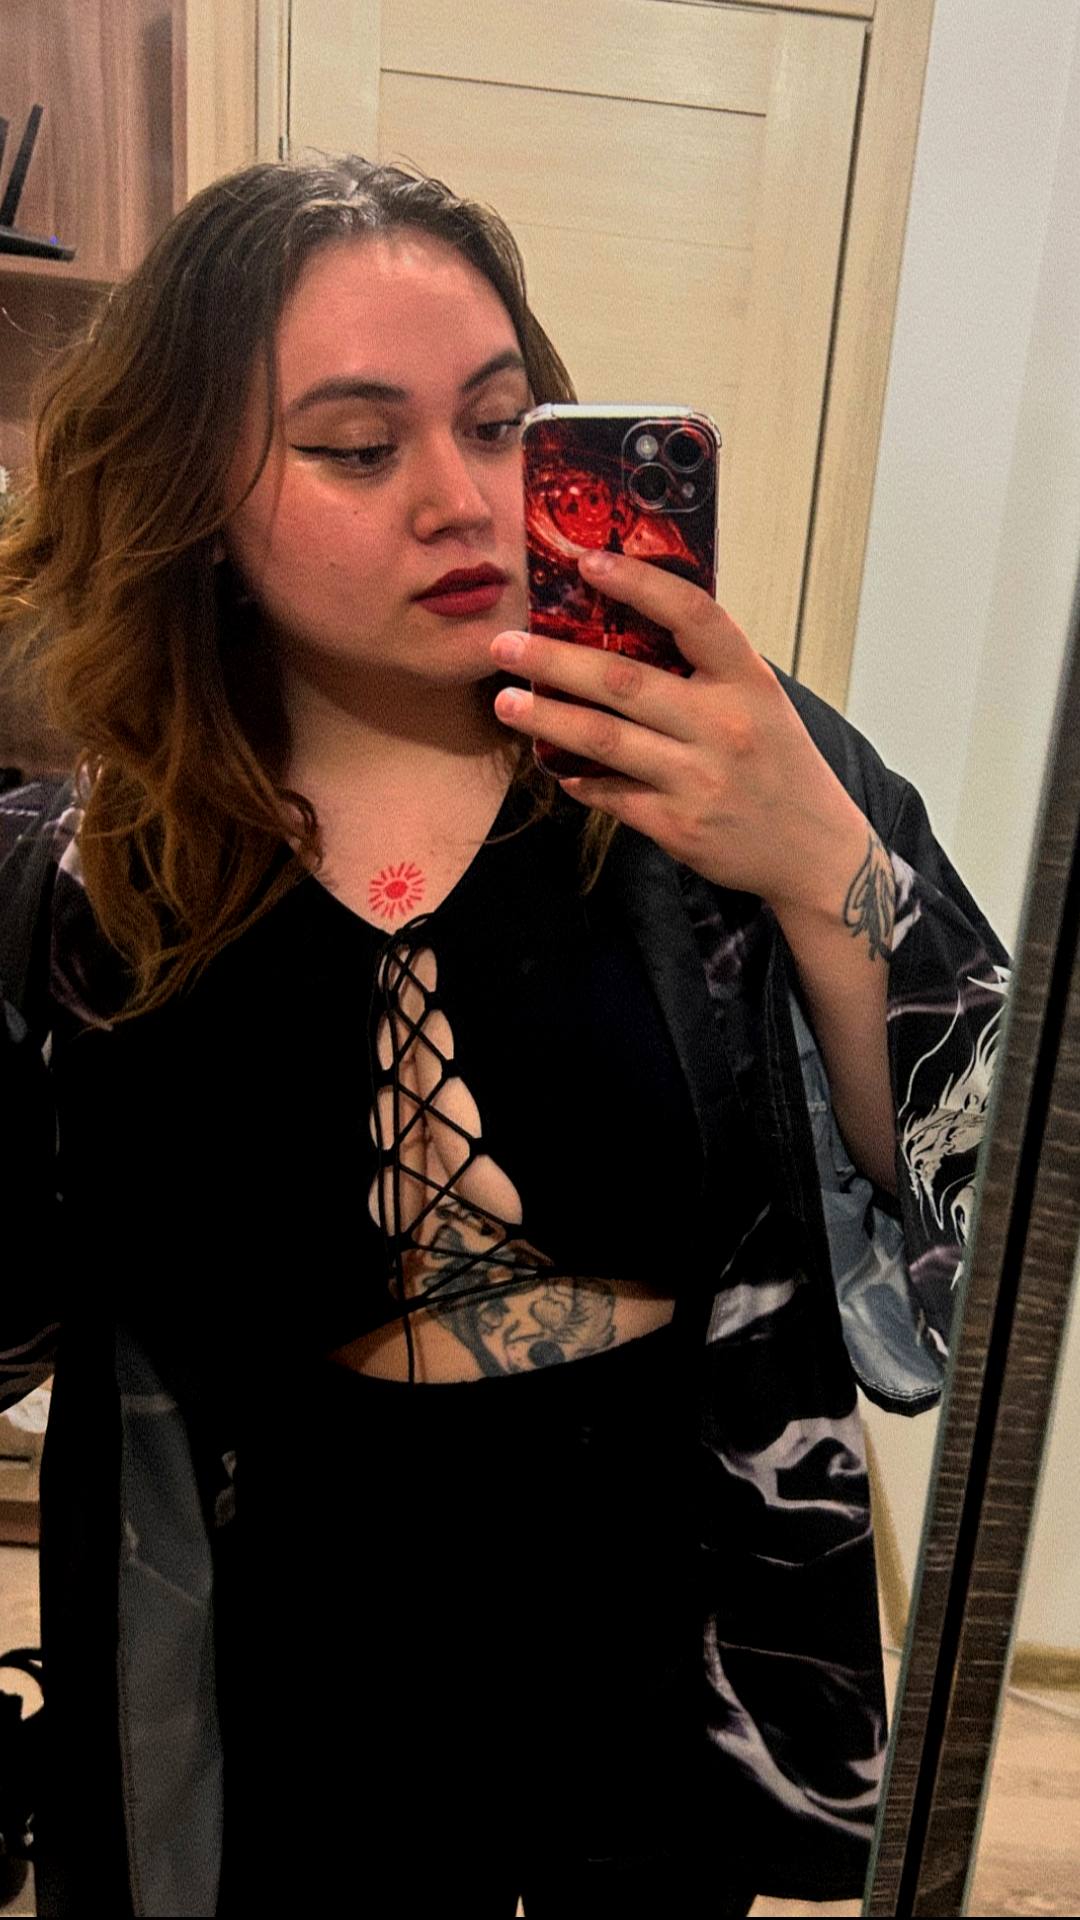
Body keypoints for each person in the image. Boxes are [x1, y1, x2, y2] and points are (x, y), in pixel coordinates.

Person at [0, 156, 1010, 1919]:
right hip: (272, 1659)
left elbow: (985, 1188)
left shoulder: (727, 768)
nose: (460, 502)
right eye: (354, 447)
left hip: (664, 1635)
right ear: (193, 491)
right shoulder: (96, 875)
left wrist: (824, 865)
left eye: (497, 423)